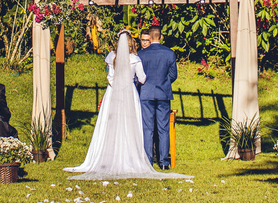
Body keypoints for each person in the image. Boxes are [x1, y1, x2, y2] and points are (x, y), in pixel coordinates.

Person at [64, 30, 189, 180]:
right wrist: (157, 82)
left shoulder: (117, 57)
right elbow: (149, 77)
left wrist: (121, 85)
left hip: (123, 94)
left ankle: (145, 158)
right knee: (159, 127)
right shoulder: (146, 56)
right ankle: (162, 162)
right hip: (150, 93)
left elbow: (110, 77)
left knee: (142, 128)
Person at [138, 25, 179, 168]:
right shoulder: (169, 53)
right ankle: (163, 162)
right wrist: (164, 82)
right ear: (160, 37)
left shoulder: (141, 54)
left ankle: (147, 161)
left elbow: (138, 76)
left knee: (147, 128)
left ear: (149, 37)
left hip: (146, 94)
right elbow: (174, 74)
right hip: (163, 93)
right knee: (163, 128)